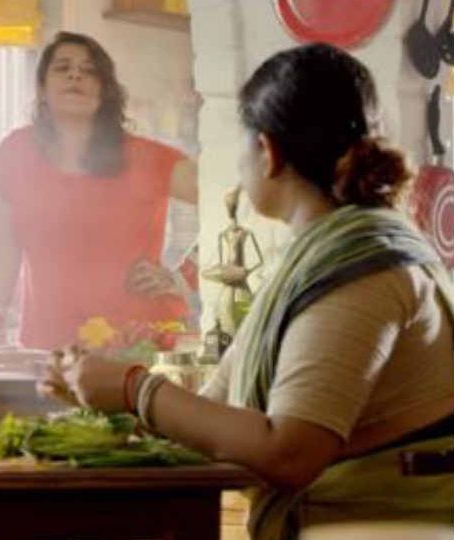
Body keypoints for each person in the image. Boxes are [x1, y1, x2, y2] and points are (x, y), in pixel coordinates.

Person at [43, 43, 454, 539]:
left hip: (386, 524)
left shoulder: (361, 269)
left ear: (267, 152)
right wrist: (104, 395)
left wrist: (135, 388)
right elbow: (219, 417)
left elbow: (290, 453)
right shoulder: (318, 258)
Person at [0, 31, 197, 350]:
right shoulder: (17, 151)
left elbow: (236, 197)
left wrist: (184, 278)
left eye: (90, 70)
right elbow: (4, 251)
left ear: (105, 91)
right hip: (50, 349)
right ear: (41, 89)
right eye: (62, 67)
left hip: (142, 347)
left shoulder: (146, 156)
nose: (76, 74)